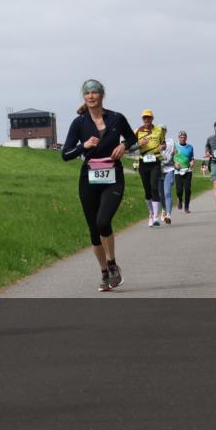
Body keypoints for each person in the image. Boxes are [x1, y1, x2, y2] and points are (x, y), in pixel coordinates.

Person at [62, 79, 137, 292]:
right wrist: (82, 146)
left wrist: (123, 145)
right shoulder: (79, 123)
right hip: (89, 179)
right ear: (83, 97)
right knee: (94, 231)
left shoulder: (116, 118)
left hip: (113, 175)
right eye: (87, 93)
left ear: (101, 95)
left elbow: (132, 137)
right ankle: (104, 273)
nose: (91, 96)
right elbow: (65, 154)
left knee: (104, 221)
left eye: (95, 92)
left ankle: (113, 265)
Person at [134, 110, 167, 228]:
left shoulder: (159, 130)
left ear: (152, 119)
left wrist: (163, 146)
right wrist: (139, 143)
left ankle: (156, 217)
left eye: (149, 118)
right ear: (142, 119)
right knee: (147, 190)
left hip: (155, 162)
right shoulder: (138, 131)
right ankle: (151, 213)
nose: (146, 120)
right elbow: (129, 147)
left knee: (154, 187)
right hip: (143, 163)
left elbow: (164, 144)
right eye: (144, 118)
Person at [172, 131, 195, 213]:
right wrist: (175, 164)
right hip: (178, 170)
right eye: (181, 137)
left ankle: (186, 207)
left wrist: (192, 162)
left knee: (187, 189)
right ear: (178, 138)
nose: (183, 139)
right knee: (179, 190)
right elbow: (170, 158)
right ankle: (179, 199)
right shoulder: (174, 146)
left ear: (186, 138)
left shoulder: (190, 147)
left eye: (184, 137)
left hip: (188, 170)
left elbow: (192, 157)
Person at [158, 128, 176, 224]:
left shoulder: (170, 141)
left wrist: (176, 162)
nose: (161, 132)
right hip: (158, 171)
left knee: (167, 193)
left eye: (163, 130)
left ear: (166, 132)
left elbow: (175, 153)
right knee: (160, 195)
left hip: (169, 169)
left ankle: (168, 214)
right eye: (160, 130)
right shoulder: (154, 142)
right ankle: (164, 210)